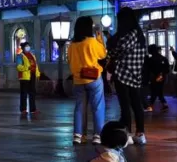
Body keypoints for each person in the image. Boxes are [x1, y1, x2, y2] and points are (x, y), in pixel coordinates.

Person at [108, 8, 148, 144]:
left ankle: (127, 134)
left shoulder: (129, 35)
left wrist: (111, 54)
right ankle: (140, 133)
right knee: (137, 104)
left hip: (123, 73)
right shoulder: (140, 35)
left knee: (125, 105)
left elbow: (121, 48)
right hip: (136, 74)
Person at [68, 16, 106, 145]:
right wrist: (99, 38)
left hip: (78, 80)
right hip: (93, 78)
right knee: (97, 106)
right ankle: (97, 135)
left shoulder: (72, 45)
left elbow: (69, 61)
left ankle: (78, 135)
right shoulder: (92, 41)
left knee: (79, 107)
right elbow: (103, 54)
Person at [143, 44, 169, 112]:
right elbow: (167, 70)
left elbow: (147, 69)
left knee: (154, 92)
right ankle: (164, 104)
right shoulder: (164, 58)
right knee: (159, 92)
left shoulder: (150, 60)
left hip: (153, 78)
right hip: (162, 77)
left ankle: (150, 106)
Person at [16, 42, 37, 115]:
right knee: (24, 93)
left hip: (32, 75)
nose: (28, 47)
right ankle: (23, 109)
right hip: (24, 77)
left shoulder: (32, 55)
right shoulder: (20, 56)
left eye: (28, 46)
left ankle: (33, 109)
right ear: (23, 48)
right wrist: (27, 67)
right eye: (26, 46)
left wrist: (37, 74)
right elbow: (19, 67)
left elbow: (35, 65)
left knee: (32, 93)